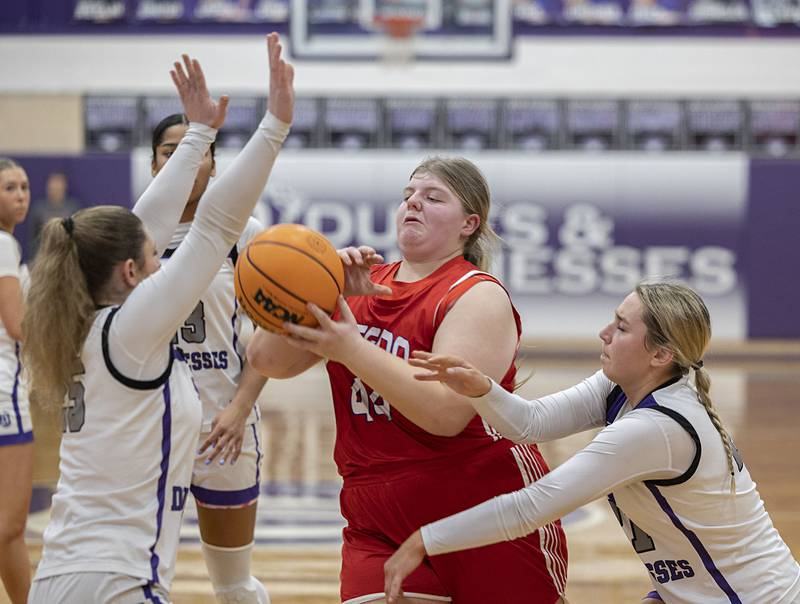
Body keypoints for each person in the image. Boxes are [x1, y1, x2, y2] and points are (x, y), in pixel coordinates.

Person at [24, 34, 293, 604]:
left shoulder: (80, 322)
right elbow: (216, 226)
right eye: (151, 259)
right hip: (119, 583)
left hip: (58, 575)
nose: (159, 260)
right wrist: (273, 125)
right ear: (129, 272)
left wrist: (199, 134)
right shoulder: (131, 332)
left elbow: (153, 221)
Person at [247, 157, 568, 604]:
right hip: (374, 510)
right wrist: (316, 287)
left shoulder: (477, 294)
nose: (413, 203)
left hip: (479, 502)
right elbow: (267, 360)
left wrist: (351, 347)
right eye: (408, 196)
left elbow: (443, 414)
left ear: (468, 224)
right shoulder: (362, 285)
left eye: (433, 197)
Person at [384, 282, 800, 604]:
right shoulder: (629, 385)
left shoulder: (656, 428)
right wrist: (481, 389)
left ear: (661, 355)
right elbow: (532, 421)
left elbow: (531, 507)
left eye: (621, 327)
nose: (604, 333)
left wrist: (424, 540)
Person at [134, 110, 270, 603]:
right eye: (172, 152)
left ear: (214, 165)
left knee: (232, 584)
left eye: (198, 151)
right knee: (140, 576)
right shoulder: (129, 237)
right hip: (148, 428)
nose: (186, 162)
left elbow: (271, 336)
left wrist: (238, 410)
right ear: (154, 166)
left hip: (223, 427)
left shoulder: (245, 233)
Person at [0, 158, 31, 604]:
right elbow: (17, 325)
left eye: (24, 186)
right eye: (9, 188)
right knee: (10, 526)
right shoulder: (4, 245)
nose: (21, 195)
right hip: (4, 387)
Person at [26, 170, 82, 259]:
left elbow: (77, 236)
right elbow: (33, 238)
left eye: (58, 185)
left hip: (66, 255)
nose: (55, 188)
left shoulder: (73, 207)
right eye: (52, 186)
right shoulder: (39, 208)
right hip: (44, 255)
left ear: (64, 187)